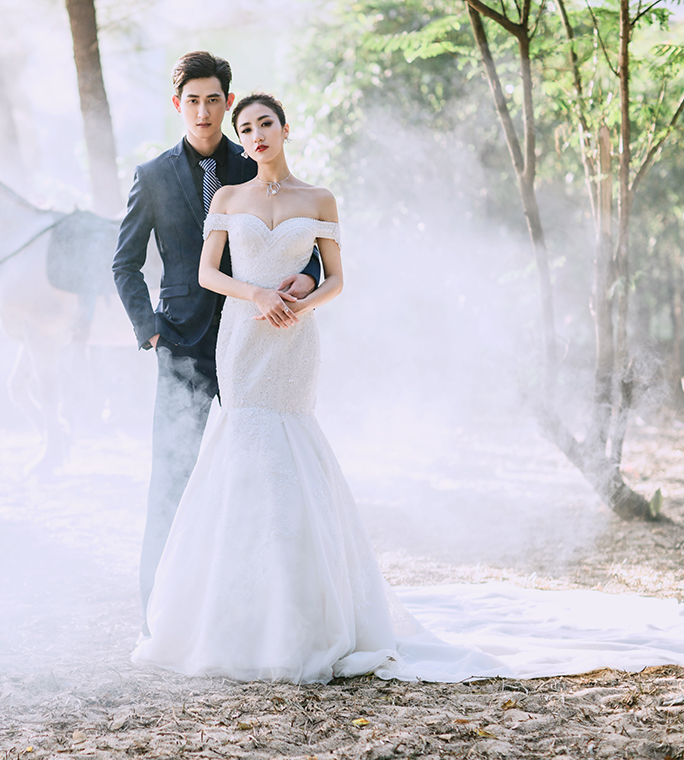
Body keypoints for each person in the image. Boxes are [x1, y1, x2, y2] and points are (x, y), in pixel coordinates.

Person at [131, 92, 684, 684]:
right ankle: (235, 611)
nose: (256, 134)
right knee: (243, 448)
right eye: (246, 128)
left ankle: (306, 609)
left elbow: (336, 278)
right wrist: (258, 294)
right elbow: (206, 273)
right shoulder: (228, 197)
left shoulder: (318, 198)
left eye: (265, 123)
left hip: (293, 342)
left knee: (292, 448)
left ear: (286, 129)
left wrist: (301, 303)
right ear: (241, 140)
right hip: (243, 339)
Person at [113, 52, 321, 630]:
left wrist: (310, 278)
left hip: (255, 342)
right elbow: (125, 263)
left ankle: (253, 605)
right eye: (192, 101)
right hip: (181, 343)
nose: (203, 111)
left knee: (256, 470)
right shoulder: (153, 175)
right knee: (173, 473)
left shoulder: (254, 158)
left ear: (228, 103)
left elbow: (303, 236)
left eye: (213, 100)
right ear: (177, 105)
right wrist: (150, 330)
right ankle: (159, 609)